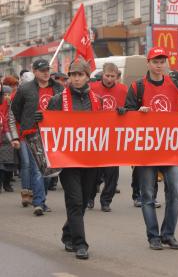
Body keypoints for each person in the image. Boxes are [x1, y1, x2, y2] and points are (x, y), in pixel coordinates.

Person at [123, 47, 178, 250]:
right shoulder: (138, 87)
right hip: (147, 150)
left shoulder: (174, 84)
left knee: (175, 192)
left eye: (162, 62)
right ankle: (153, 236)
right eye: (156, 62)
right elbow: (127, 114)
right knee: (148, 195)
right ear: (148, 63)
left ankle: (168, 234)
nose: (159, 65)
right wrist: (137, 112)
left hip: (170, 149)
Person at [45, 59, 102, 259]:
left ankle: (68, 233)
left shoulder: (98, 100)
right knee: (75, 201)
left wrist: (119, 115)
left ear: (87, 76)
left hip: (90, 159)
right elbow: (48, 127)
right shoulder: (58, 100)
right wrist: (39, 119)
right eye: (73, 75)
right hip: (68, 160)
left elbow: (106, 126)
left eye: (80, 75)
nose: (76, 79)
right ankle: (80, 243)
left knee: (85, 200)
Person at [11, 59, 64, 216]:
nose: (46, 72)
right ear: (34, 71)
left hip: (53, 134)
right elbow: (15, 109)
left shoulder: (59, 88)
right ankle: (39, 203)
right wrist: (27, 122)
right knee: (37, 169)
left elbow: (65, 108)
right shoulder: (25, 89)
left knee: (49, 171)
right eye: (42, 70)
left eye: (47, 69)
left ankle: (41, 198)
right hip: (32, 133)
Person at [88, 62, 128, 212]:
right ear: (102, 74)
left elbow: (131, 108)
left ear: (117, 76)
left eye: (112, 76)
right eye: (107, 75)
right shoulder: (92, 88)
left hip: (113, 137)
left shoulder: (123, 90)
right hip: (96, 136)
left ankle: (106, 201)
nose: (110, 79)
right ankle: (90, 198)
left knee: (112, 173)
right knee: (93, 172)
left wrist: (125, 110)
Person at [0, 84, 18, 193]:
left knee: (9, 163)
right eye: (4, 94)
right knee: (1, 164)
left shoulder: (12, 104)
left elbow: (11, 119)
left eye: (8, 94)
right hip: (2, 137)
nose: (6, 96)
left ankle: (7, 183)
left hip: (9, 136)